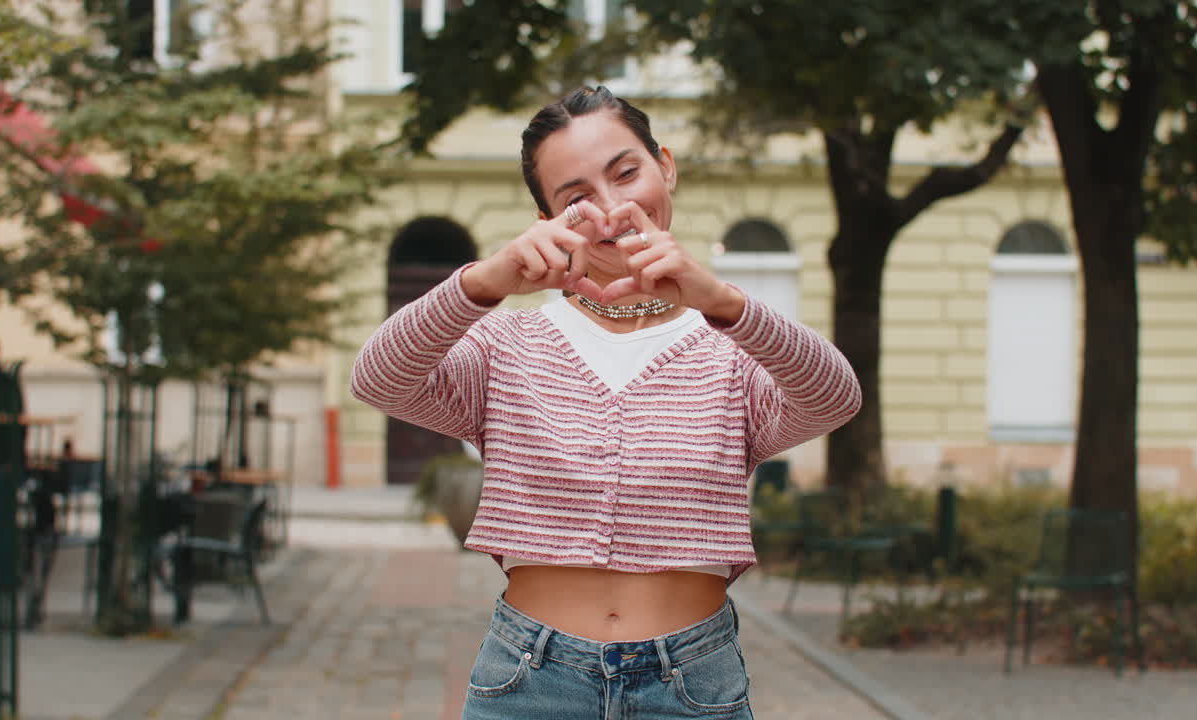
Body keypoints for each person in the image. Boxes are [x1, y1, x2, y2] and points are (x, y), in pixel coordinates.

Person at [352, 86, 861, 720]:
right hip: (528, 682)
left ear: (665, 166)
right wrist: (483, 282)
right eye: (577, 199)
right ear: (549, 220)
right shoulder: (506, 345)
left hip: (692, 684)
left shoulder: (733, 350)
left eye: (627, 173)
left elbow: (834, 397)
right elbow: (379, 379)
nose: (615, 207)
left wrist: (723, 301)